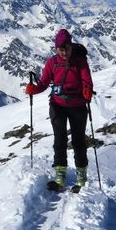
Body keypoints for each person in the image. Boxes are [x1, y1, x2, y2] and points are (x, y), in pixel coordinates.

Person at [25, 28, 93, 189]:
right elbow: (43, 83)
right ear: (56, 49)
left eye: (67, 48)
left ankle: (81, 176)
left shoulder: (80, 61)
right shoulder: (52, 63)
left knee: (78, 141)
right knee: (59, 139)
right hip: (57, 105)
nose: (64, 52)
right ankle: (60, 175)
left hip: (77, 105)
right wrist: (33, 89)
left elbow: (87, 79)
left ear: (71, 46)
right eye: (61, 49)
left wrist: (87, 89)